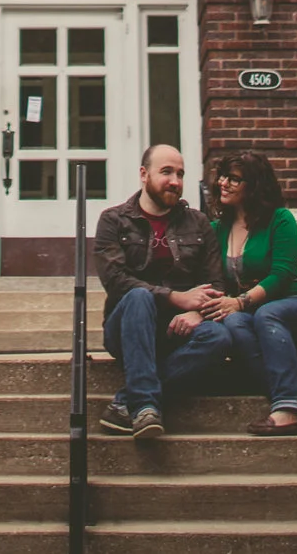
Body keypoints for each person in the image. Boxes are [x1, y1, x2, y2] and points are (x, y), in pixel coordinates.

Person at [91, 143, 231, 439]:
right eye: (166, 172)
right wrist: (176, 298)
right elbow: (116, 281)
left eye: (180, 174)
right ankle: (145, 406)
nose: (175, 181)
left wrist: (196, 313)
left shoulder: (198, 222)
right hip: (128, 326)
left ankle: (129, 402)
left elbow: (216, 284)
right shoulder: (113, 220)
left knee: (219, 337)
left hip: (177, 332)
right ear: (144, 174)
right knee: (139, 296)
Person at [201, 151, 297, 433]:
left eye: (234, 179)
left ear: (254, 185)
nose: (224, 183)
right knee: (233, 322)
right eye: (222, 176)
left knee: (266, 314)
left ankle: (285, 410)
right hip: (255, 320)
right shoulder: (217, 229)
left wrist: (241, 301)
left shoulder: (280, 220)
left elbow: (281, 275)